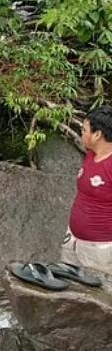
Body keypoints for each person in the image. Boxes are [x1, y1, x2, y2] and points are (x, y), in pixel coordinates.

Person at [62, 106, 112, 275]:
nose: (81, 133)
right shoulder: (91, 154)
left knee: (99, 294)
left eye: (84, 130)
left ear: (97, 135)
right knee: (67, 287)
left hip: (99, 248)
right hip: (73, 238)